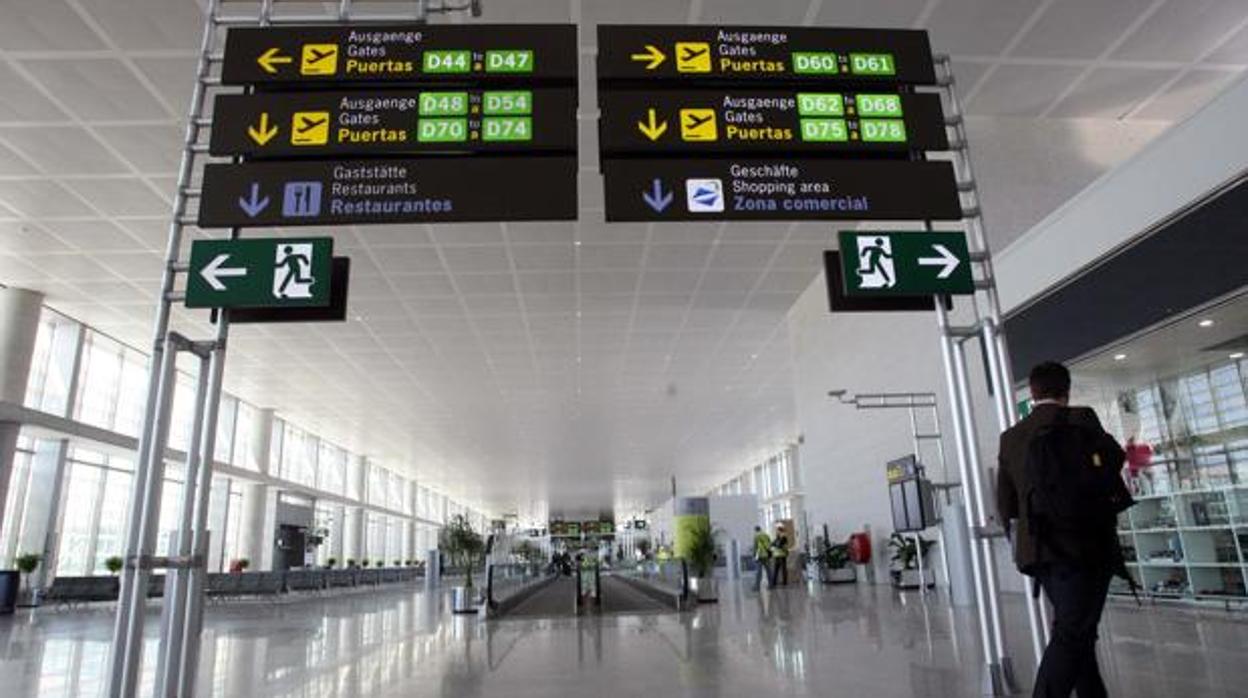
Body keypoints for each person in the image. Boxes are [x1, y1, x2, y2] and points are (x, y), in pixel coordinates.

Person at [997, 361, 1133, 698]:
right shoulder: (1082, 419)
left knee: (1077, 627)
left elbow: (1006, 504)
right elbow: (1114, 459)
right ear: (1066, 390)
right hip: (1087, 544)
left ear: (1032, 392)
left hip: (1040, 551)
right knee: (1074, 631)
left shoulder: (1011, 437)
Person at [752, 525, 772, 591]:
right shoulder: (766, 535)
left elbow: (755, 547)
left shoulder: (756, 536)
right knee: (769, 571)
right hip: (766, 555)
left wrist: (754, 555)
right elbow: (770, 544)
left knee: (758, 572)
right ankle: (771, 585)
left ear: (755, 530)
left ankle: (757, 587)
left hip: (759, 555)